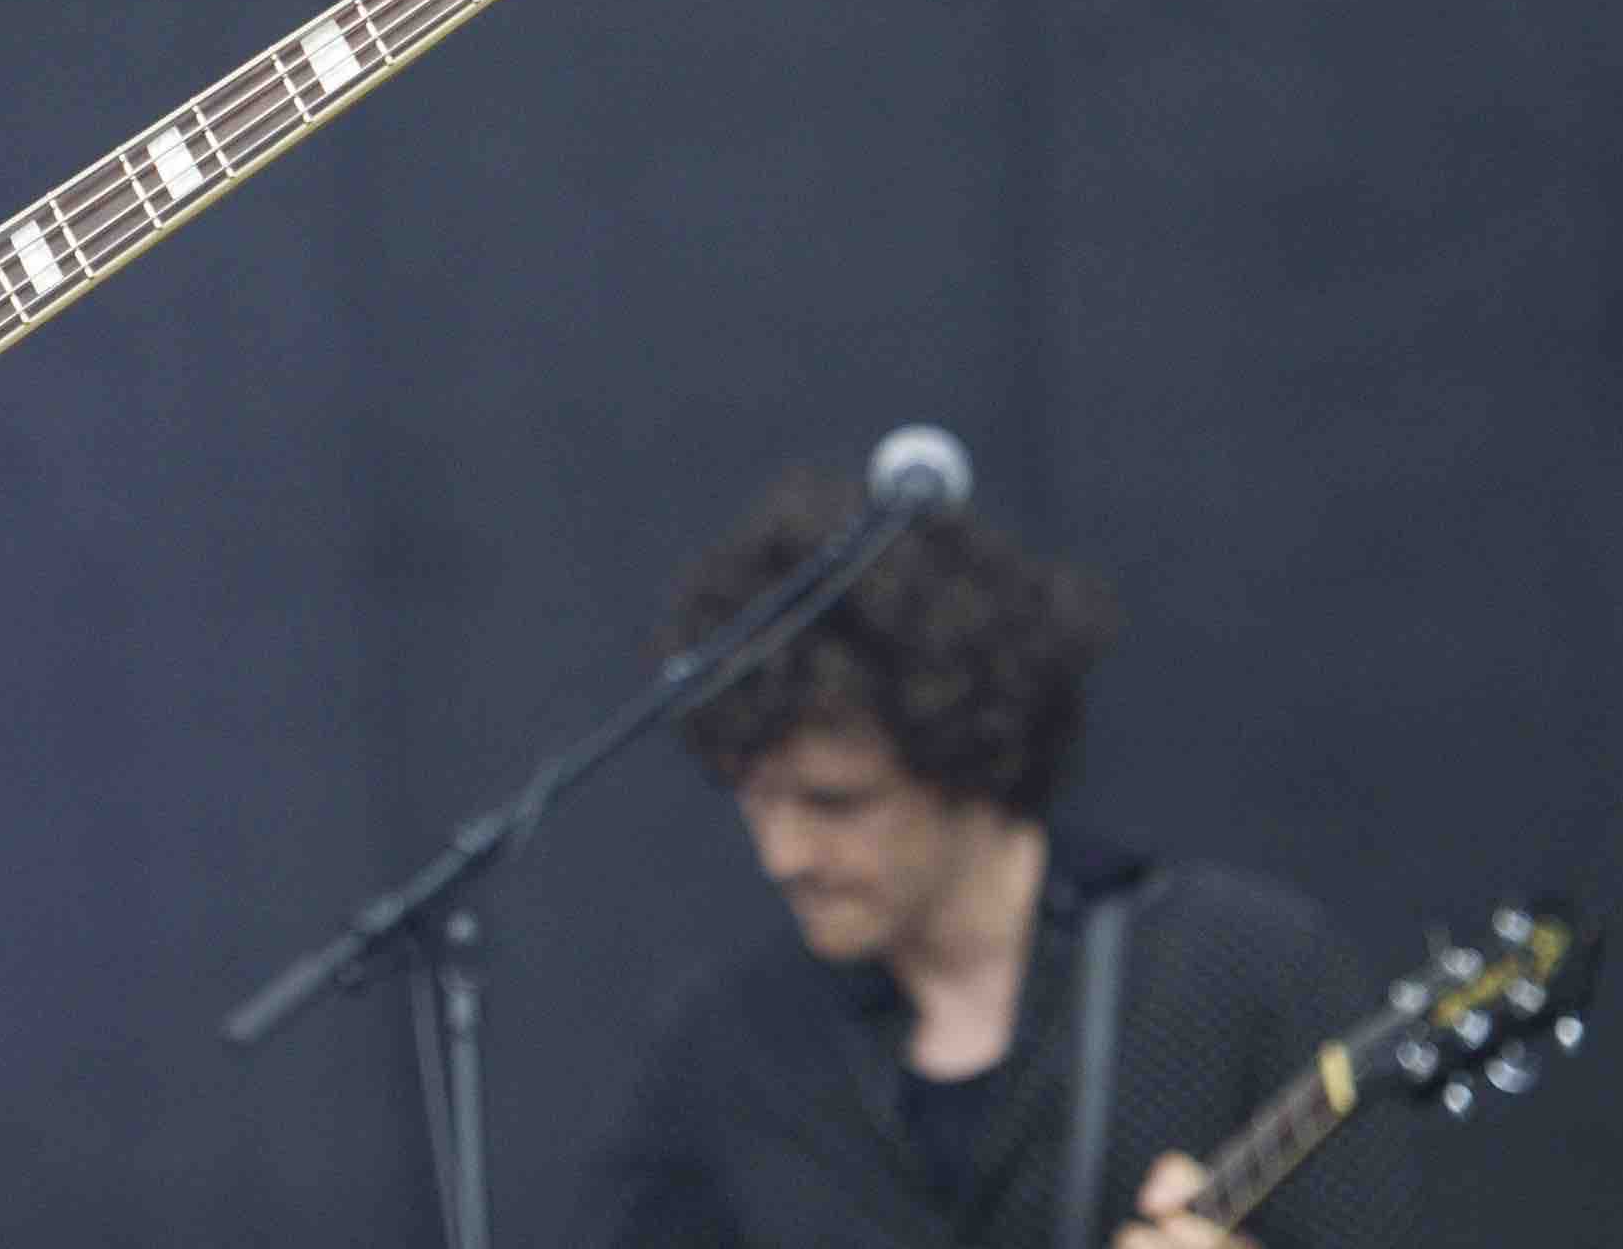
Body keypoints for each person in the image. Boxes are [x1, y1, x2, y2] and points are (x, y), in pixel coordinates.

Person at [588, 475, 1420, 1249]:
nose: (781, 854)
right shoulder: (728, 1051)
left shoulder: (1243, 972)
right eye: (755, 800)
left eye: (834, 802)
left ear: (968, 761)